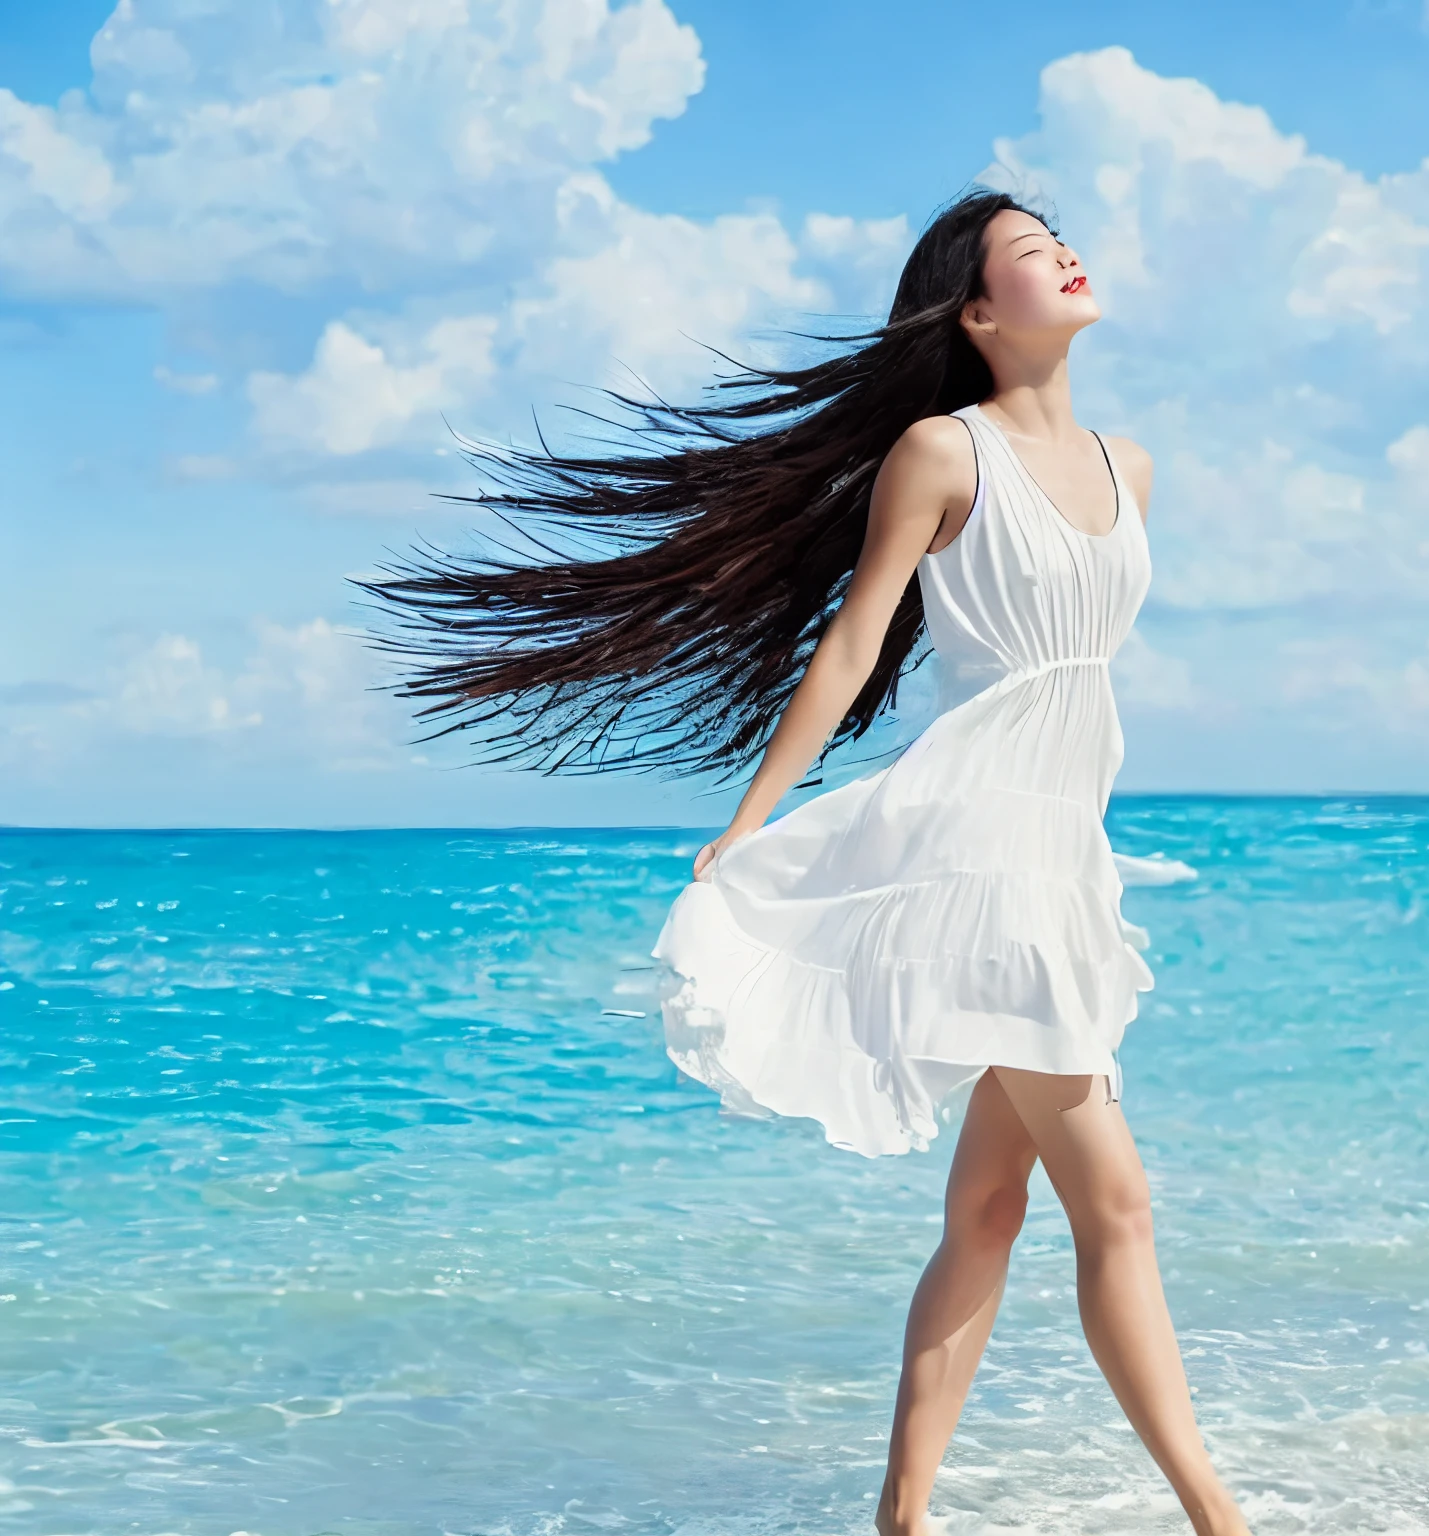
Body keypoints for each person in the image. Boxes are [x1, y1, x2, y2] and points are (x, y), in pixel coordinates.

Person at [356, 189, 1251, 1536]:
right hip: (986, 857)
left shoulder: (1137, 465)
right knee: (1115, 1203)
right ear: (975, 312)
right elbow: (850, 647)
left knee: (993, 1208)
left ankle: (901, 1516)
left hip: (1066, 857)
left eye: (1062, 239)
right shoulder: (943, 457)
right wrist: (755, 816)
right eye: (1029, 252)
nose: (1065, 254)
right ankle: (1219, 1520)